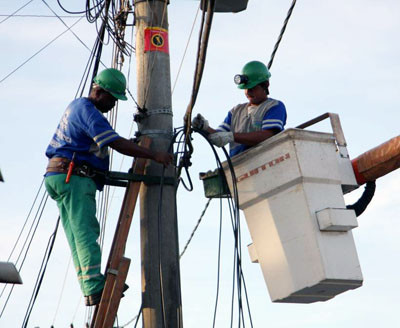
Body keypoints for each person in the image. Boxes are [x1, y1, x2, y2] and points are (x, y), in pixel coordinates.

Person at [44, 68, 172, 306]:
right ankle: (94, 286)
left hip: (61, 176)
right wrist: (155, 154)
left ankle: (90, 284)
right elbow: (113, 142)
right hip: (74, 176)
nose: (113, 104)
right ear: (99, 91)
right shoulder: (87, 110)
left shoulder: (79, 108)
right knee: (86, 232)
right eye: (112, 98)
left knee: (77, 236)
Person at [192, 60, 287, 157]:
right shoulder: (235, 112)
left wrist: (231, 136)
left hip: (265, 160)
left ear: (265, 85)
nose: (248, 92)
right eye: (246, 89)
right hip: (239, 166)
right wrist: (204, 127)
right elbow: (218, 136)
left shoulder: (274, 106)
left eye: (252, 88)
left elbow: (267, 135)